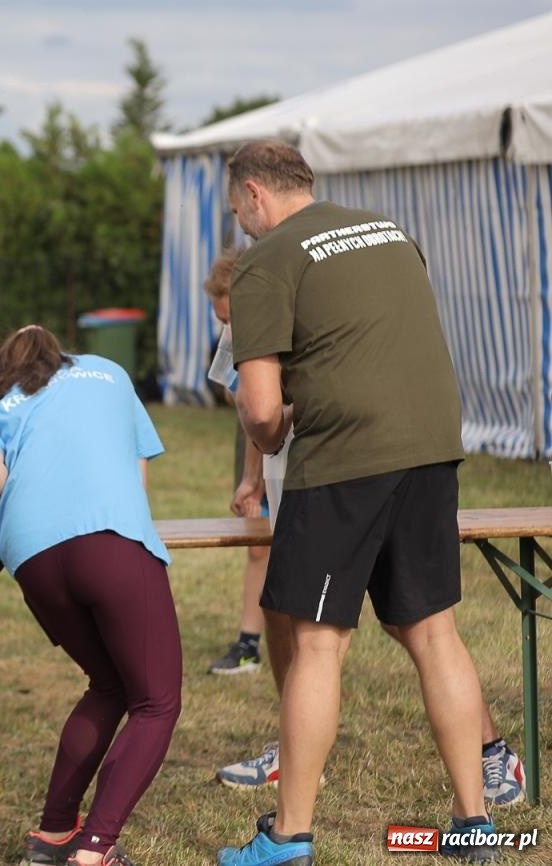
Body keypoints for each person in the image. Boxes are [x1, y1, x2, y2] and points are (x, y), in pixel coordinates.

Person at [217, 140, 501, 865]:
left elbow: (257, 410)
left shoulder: (267, 258)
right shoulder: (390, 231)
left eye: (236, 210)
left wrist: (276, 428)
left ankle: (288, 839)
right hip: (434, 446)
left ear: (253, 194)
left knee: (318, 643)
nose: (240, 224)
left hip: (344, 459)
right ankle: (476, 827)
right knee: (436, 634)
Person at [0, 325, 177, 866]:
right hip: (109, 536)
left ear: (8, 365)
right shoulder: (107, 372)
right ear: (62, 353)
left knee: (107, 683)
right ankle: (95, 847)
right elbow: (137, 463)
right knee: (156, 701)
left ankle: (55, 833)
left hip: (31, 552)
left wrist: (33, 500)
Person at [206, 247, 276, 678]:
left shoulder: (270, 333)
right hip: (256, 448)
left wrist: (259, 478)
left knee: (271, 545)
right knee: (257, 545)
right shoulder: (236, 338)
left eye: (232, 319)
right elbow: (241, 403)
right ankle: (250, 643)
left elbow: (264, 411)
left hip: (284, 452)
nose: (228, 330)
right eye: (221, 322)